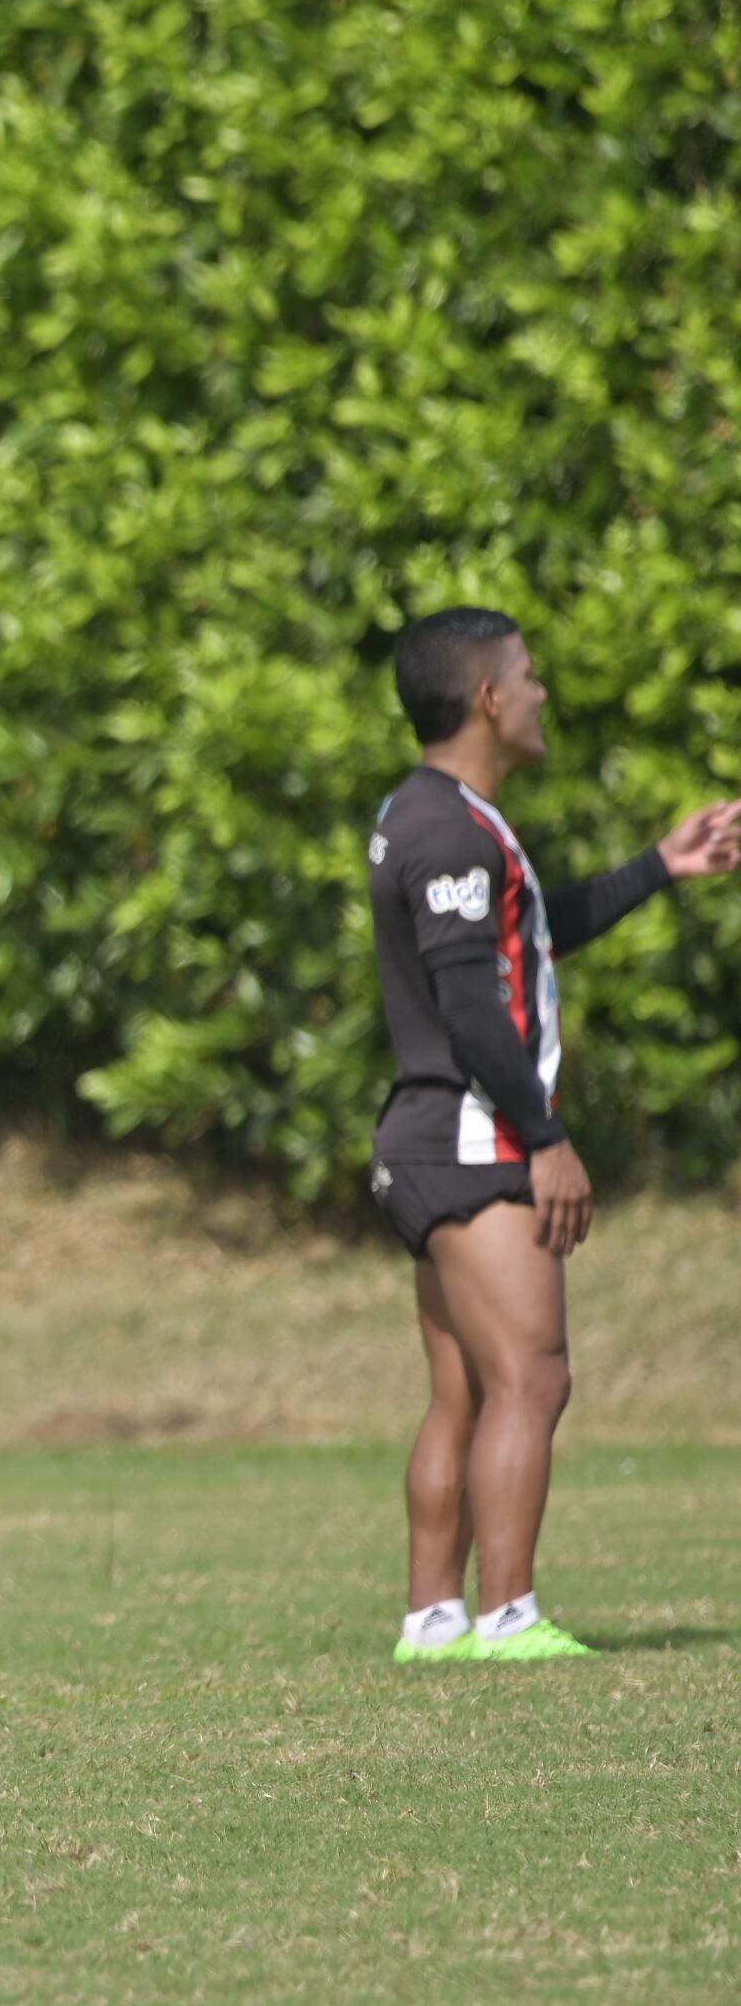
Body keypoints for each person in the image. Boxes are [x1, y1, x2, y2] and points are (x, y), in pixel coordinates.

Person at [365, 607, 741, 1662]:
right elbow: (474, 1005)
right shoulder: (451, 829)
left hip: (427, 1141)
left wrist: (659, 867)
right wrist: (548, 1137)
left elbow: (527, 933)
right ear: (487, 697)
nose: (540, 693)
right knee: (533, 1379)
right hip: (474, 1141)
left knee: (468, 1389)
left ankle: (435, 1621)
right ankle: (507, 1618)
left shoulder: (434, 814)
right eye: (528, 676)